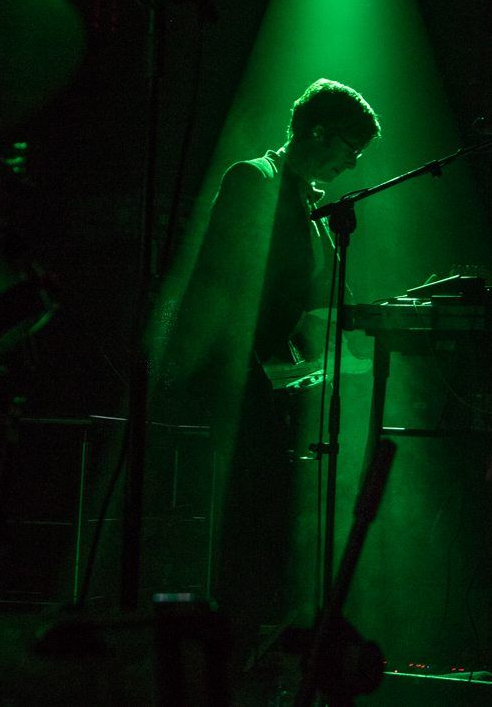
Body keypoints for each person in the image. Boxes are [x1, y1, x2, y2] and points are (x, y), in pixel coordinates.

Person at [158, 78, 380, 667]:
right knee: (245, 513)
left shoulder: (308, 205)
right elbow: (219, 288)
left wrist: (387, 323)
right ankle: (228, 641)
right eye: (349, 151)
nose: (352, 165)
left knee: (271, 506)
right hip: (222, 380)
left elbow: (323, 300)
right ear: (317, 133)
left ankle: (256, 632)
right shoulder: (252, 180)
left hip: (262, 377)